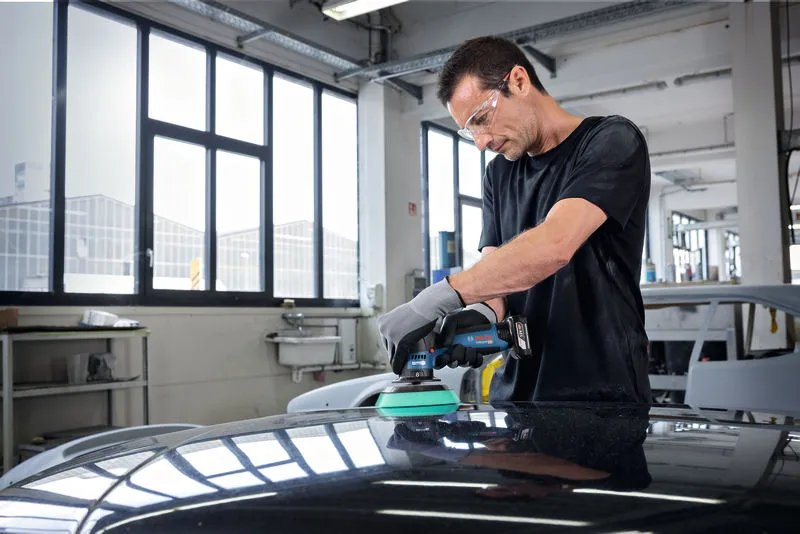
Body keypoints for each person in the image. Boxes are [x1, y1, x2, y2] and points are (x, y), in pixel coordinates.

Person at [377, 36, 651, 404]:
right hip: (517, 397)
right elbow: (497, 284)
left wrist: (434, 299)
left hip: (601, 397)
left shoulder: (611, 141)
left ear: (519, 81)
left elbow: (555, 244)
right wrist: (477, 315)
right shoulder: (498, 175)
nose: (480, 142)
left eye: (482, 119)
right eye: (469, 130)